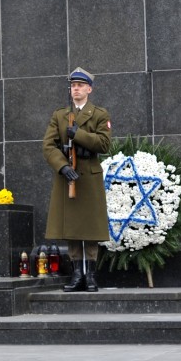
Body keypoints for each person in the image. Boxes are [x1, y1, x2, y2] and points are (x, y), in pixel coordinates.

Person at [42, 67, 112, 292]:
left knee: (90, 229)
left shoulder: (100, 114)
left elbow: (104, 144)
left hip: (89, 177)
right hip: (68, 176)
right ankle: (76, 275)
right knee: (71, 228)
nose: (76, 89)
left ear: (89, 89)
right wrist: (62, 167)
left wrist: (78, 134)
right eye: (73, 86)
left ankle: (90, 276)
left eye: (80, 85)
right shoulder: (60, 116)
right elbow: (48, 145)